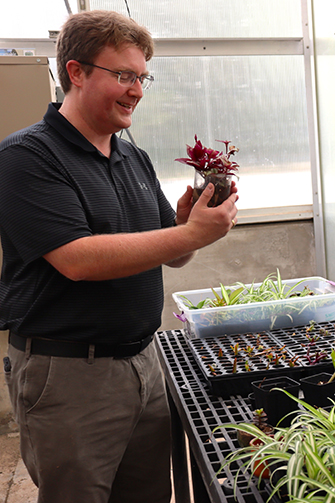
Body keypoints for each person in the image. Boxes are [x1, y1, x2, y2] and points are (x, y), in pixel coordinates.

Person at [0, 10, 238, 503]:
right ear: (77, 72)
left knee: (148, 494)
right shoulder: (27, 157)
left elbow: (168, 257)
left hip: (144, 362)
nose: (137, 90)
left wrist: (184, 228)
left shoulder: (133, 156)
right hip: (69, 375)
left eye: (142, 77)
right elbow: (78, 260)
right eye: (124, 75)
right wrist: (188, 235)